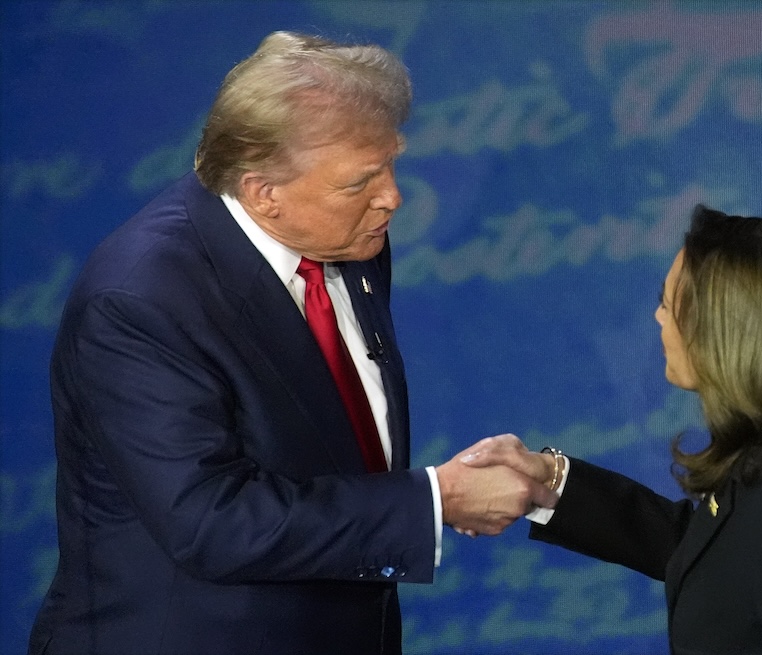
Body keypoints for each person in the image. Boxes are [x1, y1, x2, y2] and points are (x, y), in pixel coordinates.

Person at [29, 31, 556, 655]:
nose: (392, 196)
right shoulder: (141, 300)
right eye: (360, 180)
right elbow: (210, 521)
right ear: (263, 193)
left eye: (392, 163)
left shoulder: (350, 240)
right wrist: (434, 501)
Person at [462, 205, 762, 654]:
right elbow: (712, 554)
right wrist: (550, 481)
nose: (659, 317)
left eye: (667, 301)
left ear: (727, 333)